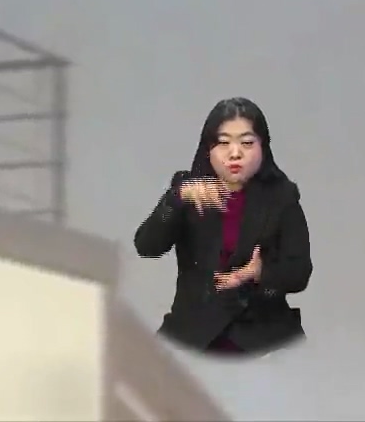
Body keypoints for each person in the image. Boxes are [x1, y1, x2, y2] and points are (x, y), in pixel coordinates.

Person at [133, 96, 312, 356]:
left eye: (247, 143)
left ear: (263, 147)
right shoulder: (188, 190)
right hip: (193, 332)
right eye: (224, 142)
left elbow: (300, 272)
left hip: (262, 334)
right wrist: (176, 199)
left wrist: (259, 273)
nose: (235, 153)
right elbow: (146, 246)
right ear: (209, 149)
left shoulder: (281, 196)